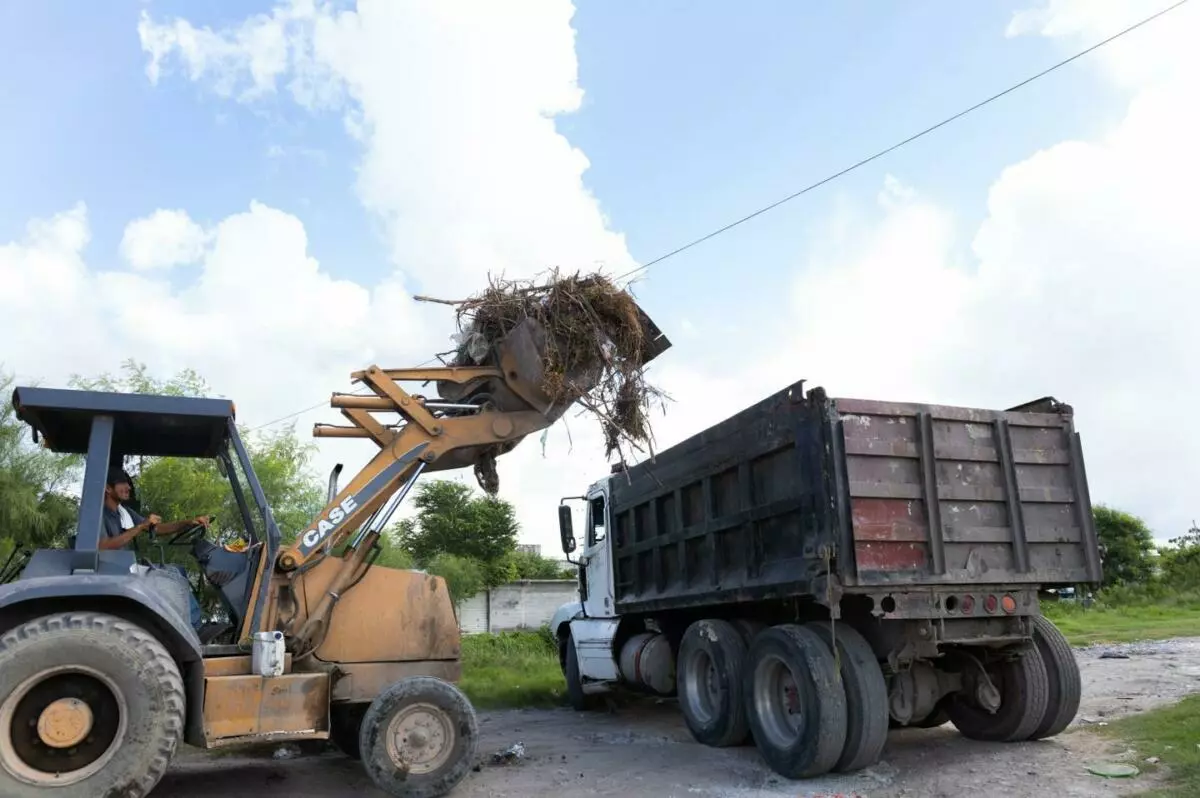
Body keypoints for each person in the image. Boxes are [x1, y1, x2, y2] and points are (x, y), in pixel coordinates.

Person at [100, 467, 209, 632]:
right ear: (108, 488)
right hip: (114, 572)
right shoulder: (99, 514)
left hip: (127, 569)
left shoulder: (124, 513)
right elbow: (103, 546)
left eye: (128, 483)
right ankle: (196, 629)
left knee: (178, 570)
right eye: (122, 483)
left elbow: (158, 528)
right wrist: (140, 527)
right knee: (172, 574)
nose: (128, 487)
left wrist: (188, 523)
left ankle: (191, 626)